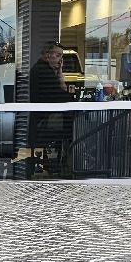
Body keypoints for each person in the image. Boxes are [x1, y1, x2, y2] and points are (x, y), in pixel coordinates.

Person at [28, 41, 75, 176]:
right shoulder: (43, 72)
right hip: (44, 122)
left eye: (61, 56)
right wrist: (61, 77)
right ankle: (68, 162)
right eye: (58, 55)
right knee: (77, 124)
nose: (61, 59)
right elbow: (62, 98)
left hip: (42, 120)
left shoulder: (43, 69)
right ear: (48, 55)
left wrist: (59, 73)